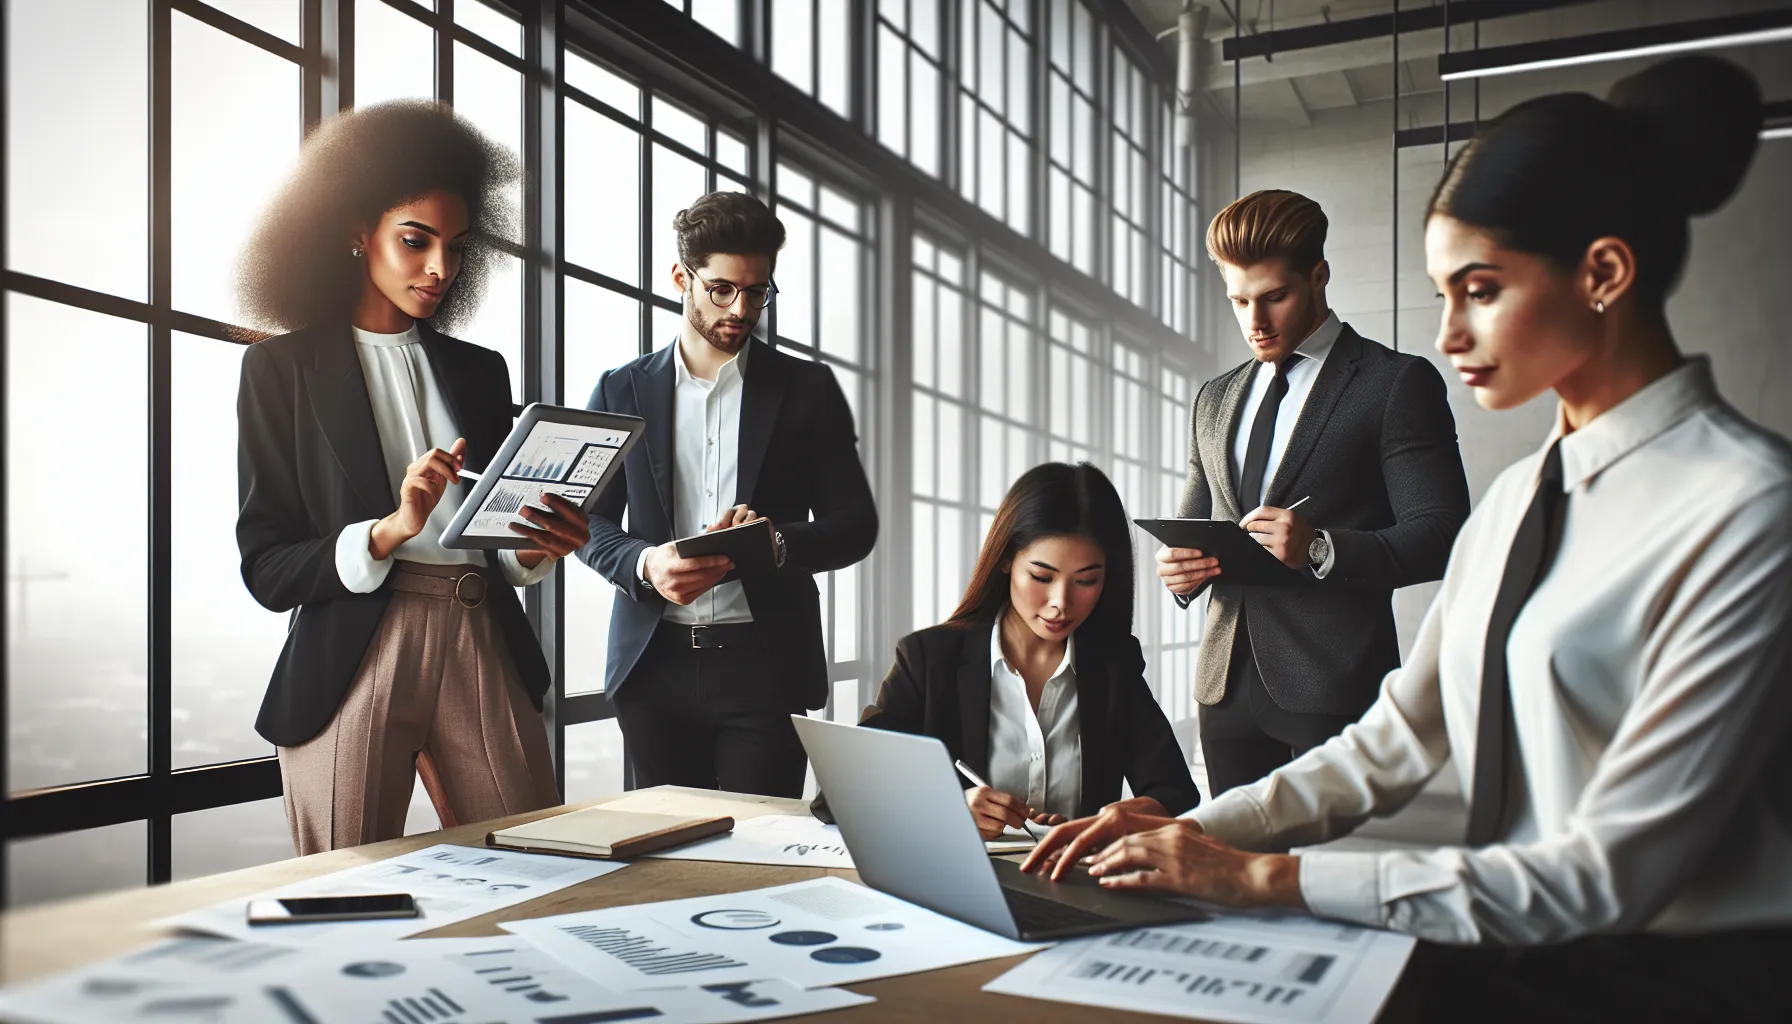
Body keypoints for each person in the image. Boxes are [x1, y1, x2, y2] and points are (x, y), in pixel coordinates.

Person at [1024, 57, 1792, 1021]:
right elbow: (1399, 737)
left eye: (1479, 289)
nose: (1449, 332)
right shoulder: (1520, 499)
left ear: (1602, 272)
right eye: (1442, 294)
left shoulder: (1749, 507)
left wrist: (1258, 878)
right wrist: (1196, 830)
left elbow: (1603, 876)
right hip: (1517, 947)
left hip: (1685, 982)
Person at [236, 102, 585, 854]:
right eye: (415, 241)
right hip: (353, 649)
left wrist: (538, 546)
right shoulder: (280, 370)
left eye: (456, 248)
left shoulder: (480, 371)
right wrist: (391, 529)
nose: (440, 269)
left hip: (482, 632)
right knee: (344, 887)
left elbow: (497, 538)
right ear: (355, 231)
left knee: (541, 869)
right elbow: (266, 567)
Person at [1159, 189, 1470, 797]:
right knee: (1230, 871)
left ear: (1319, 276)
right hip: (1223, 685)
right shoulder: (1214, 398)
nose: (1257, 321)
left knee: (1322, 877)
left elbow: (1443, 533)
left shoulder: (1394, 383)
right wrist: (1181, 570)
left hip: (1335, 686)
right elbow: (1195, 523)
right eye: (1240, 301)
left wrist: (1321, 549)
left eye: (1275, 296)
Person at [577, 191, 878, 799]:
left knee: (759, 862)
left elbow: (856, 524)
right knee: (662, 866)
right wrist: (643, 563)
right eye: (721, 290)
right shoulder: (620, 389)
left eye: (757, 292)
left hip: (764, 665)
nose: (742, 309)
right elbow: (586, 520)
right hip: (651, 665)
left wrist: (777, 544)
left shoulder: (807, 389)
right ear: (680, 278)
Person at [815, 463, 1200, 836]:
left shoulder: (1113, 664)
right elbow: (833, 798)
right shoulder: (930, 659)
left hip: (1072, 889)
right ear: (1005, 561)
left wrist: (1116, 819)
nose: (1059, 603)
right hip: (958, 884)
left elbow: (1175, 792)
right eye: (1041, 576)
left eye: (1086, 581)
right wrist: (948, 804)